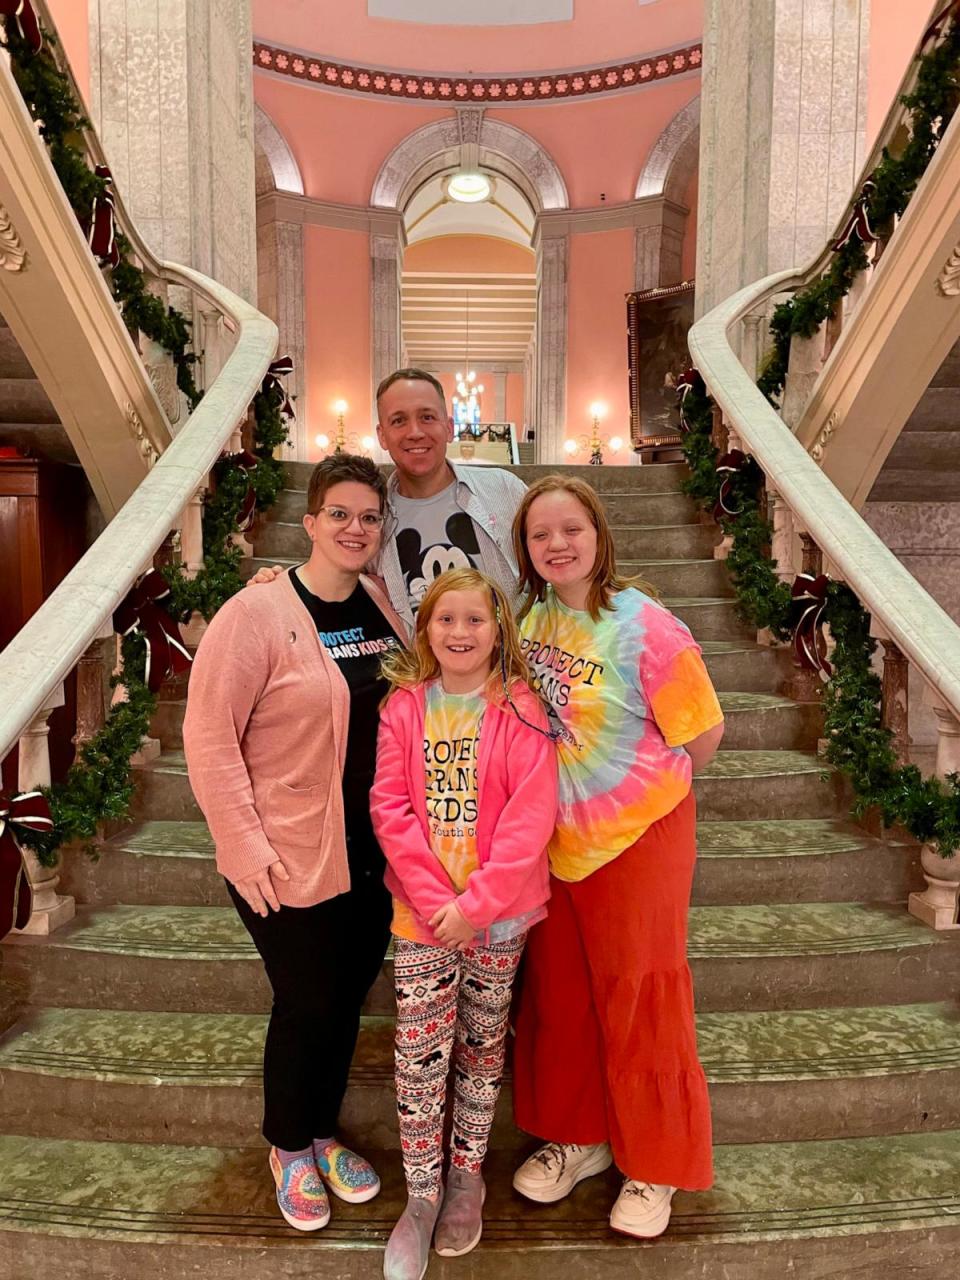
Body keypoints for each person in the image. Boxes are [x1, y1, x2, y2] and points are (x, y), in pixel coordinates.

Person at [182, 453, 408, 1232]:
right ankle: (286, 1144)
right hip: (286, 852)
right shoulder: (255, 614)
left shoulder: (381, 601)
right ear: (309, 522)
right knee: (307, 1001)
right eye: (339, 514)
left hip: (373, 853)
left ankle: (320, 1129)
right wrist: (243, 848)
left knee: (346, 1001)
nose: (355, 528)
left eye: (369, 517)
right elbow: (209, 737)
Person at [507, 474, 725, 1240]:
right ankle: (582, 1136)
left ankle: (654, 1162)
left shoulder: (648, 626)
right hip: (553, 843)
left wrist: (630, 788)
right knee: (561, 992)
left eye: (572, 529)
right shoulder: (525, 620)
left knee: (642, 995)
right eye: (541, 535)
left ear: (599, 536)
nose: (557, 544)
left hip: (641, 837)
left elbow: (703, 738)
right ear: (526, 551)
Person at [370, 567, 558, 1279]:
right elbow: (389, 807)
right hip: (420, 918)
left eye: (474, 621)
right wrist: (432, 902)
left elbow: (530, 819)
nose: (459, 632)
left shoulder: (522, 708)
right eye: (445, 620)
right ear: (426, 630)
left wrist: (475, 906)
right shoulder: (404, 707)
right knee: (419, 1060)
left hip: (500, 917)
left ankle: (464, 1179)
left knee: (482, 1048)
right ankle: (419, 1198)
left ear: (497, 629)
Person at [252, 369, 527, 623]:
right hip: (416, 673)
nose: (415, 432)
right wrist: (280, 584)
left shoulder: (504, 490)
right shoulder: (371, 520)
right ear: (382, 436)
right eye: (399, 420)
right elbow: (331, 577)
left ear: (449, 427)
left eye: (427, 417)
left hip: (511, 669)